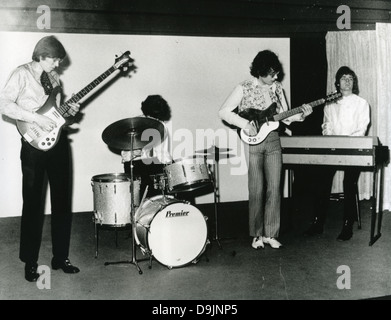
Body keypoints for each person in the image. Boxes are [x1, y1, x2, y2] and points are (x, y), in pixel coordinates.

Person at [0, 36, 81, 282]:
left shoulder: (54, 78)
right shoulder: (21, 74)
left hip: (58, 144)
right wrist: (35, 119)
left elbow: (55, 113)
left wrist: (70, 112)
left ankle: (60, 257)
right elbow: (4, 104)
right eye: (54, 59)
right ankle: (30, 262)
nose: (57, 65)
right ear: (42, 55)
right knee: (33, 204)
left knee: (62, 201)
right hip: (33, 145)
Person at [218, 50, 312, 249]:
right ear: (260, 72)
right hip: (254, 142)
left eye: (276, 73)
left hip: (274, 141)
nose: (276, 77)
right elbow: (224, 111)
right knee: (256, 189)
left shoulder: (277, 88)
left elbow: (286, 116)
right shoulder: (244, 87)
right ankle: (256, 235)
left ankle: (271, 233)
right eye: (272, 74)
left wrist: (301, 115)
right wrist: (244, 123)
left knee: (274, 188)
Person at [304, 66, 370, 241]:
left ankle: (348, 224)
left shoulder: (361, 103)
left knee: (349, 183)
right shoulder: (330, 103)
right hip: (333, 148)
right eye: (343, 78)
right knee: (322, 180)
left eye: (350, 78)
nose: (347, 81)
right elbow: (326, 126)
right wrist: (332, 142)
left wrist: (346, 144)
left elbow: (361, 128)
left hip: (352, 150)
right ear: (338, 83)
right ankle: (318, 222)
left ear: (353, 82)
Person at [122, 95, 172, 198]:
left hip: (157, 165)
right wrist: (138, 151)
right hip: (138, 166)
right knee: (150, 196)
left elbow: (163, 154)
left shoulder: (161, 125)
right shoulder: (135, 124)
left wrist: (173, 167)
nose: (154, 120)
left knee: (182, 185)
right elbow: (126, 156)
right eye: (152, 117)